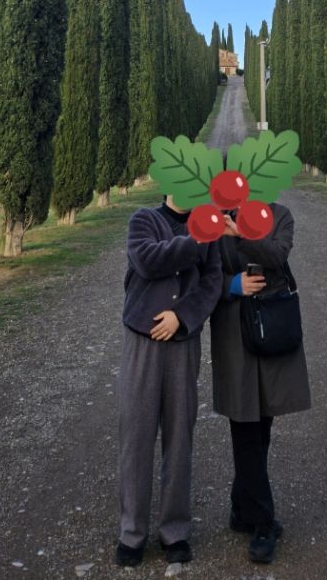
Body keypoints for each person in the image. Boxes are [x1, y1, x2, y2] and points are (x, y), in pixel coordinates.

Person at [116, 194, 222, 568]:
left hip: (183, 342)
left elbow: (212, 282)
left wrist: (182, 315)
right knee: (136, 435)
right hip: (142, 341)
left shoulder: (207, 228)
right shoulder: (142, 219)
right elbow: (149, 261)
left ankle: (175, 531)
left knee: (179, 436)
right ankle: (131, 532)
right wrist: (199, 236)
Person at [211, 199, 311, 565]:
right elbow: (202, 276)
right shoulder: (216, 220)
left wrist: (241, 234)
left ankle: (242, 508)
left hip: (270, 331)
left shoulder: (281, 215)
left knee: (262, 426)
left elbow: (277, 254)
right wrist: (231, 285)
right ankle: (263, 522)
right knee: (245, 428)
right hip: (234, 335)